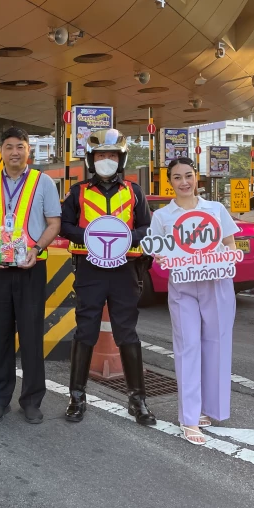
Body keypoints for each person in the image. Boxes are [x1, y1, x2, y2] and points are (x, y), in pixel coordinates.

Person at [59, 129, 156, 426]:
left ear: (121, 159)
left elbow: (146, 227)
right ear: (91, 159)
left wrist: (124, 237)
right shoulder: (78, 192)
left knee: (127, 333)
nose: (106, 160)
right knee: (85, 330)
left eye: (112, 155)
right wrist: (92, 236)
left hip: (125, 270)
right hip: (90, 269)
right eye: (101, 155)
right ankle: (77, 397)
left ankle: (137, 399)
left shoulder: (134, 191)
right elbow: (64, 225)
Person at [0, 127, 61, 424]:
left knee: (33, 335)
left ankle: (32, 400)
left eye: (20, 147)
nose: (14, 152)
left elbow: (53, 223)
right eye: (9, 147)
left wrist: (36, 248)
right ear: (2, 151)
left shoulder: (43, 182)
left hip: (31, 268)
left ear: (28, 151)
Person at [150, 157, 238, 445]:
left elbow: (230, 242)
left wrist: (224, 259)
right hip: (183, 285)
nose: (184, 182)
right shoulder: (163, 216)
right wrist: (162, 257)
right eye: (177, 177)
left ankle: (211, 409)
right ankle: (189, 418)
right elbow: (157, 250)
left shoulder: (215, 208)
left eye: (188, 175)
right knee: (188, 346)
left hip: (217, 283)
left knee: (218, 344)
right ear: (170, 182)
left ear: (196, 177)